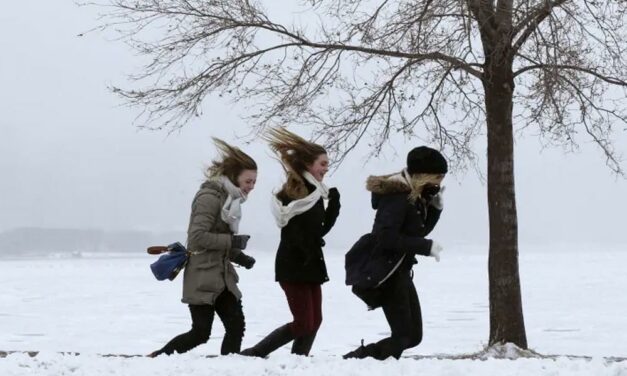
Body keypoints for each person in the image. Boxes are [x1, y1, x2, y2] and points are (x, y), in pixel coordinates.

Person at [148, 138, 258, 357]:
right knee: (200, 333)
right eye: (248, 181)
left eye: (254, 182)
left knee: (236, 326)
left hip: (223, 277)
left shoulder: (230, 201)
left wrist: (239, 256)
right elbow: (198, 237)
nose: (251, 186)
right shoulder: (209, 197)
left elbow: (220, 239)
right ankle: (158, 358)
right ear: (234, 176)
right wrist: (232, 242)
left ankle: (230, 367)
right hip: (202, 277)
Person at [240, 127, 341, 357]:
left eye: (327, 164)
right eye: (322, 164)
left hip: (311, 262)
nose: (326, 169)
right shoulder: (294, 193)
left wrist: (334, 205)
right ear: (308, 164)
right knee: (304, 321)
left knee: (315, 320)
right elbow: (295, 233)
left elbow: (319, 231)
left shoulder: (316, 194)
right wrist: (305, 249)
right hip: (293, 264)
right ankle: (255, 353)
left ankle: (298, 362)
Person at [343, 146, 447, 360]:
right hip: (387, 271)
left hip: (400, 270)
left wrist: (435, 210)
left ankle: (362, 358)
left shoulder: (414, 196)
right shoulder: (397, 196)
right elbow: (385, 237)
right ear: (423, 175)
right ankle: (357, 360)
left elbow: (418, 231)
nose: (439, 183)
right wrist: (425, 247)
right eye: (438, 177)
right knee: (403, 335)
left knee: (413, 336)